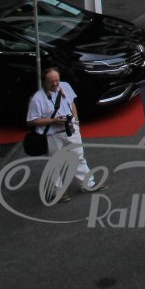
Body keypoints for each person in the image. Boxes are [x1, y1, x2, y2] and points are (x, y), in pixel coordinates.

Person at [26, 67, 98, 200]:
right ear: (44, 82)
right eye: (51, 81)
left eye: (57, 80)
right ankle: (56, 191)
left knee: (79, 158)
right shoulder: (37, 98)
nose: (55, 84)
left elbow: (72, 104)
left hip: (71, 130)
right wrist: (53, 121)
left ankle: (87, 184)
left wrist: (76, 122)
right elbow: (31, 121)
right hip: (52, 135)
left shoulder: (65, 86)